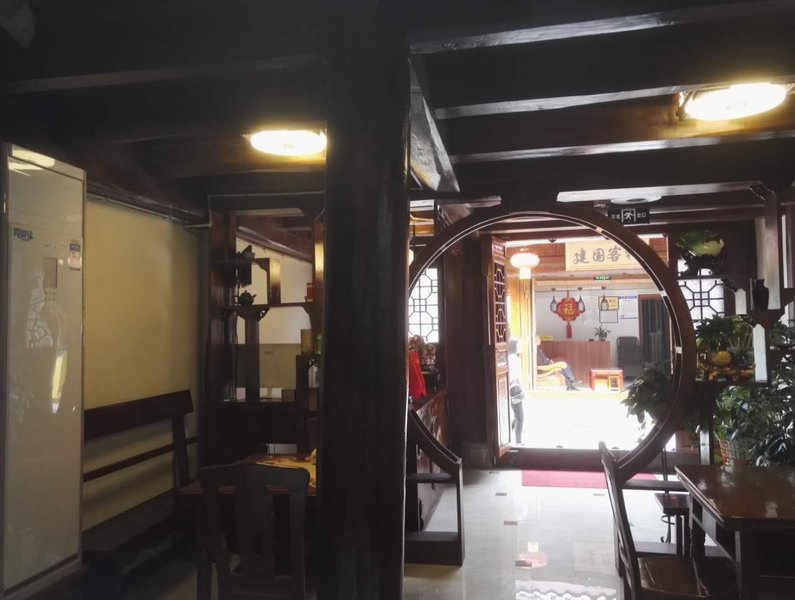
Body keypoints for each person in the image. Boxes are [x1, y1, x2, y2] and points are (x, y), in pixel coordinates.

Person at [507, 339, 525, 445]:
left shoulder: (509, 357)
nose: (520, 347)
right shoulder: (514, 358)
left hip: (512, 388)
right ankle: (518, 442)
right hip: (515, 389)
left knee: (516, 415)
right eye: (519, 345)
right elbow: (516, 376)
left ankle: (506, 433)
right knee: (520, 418)